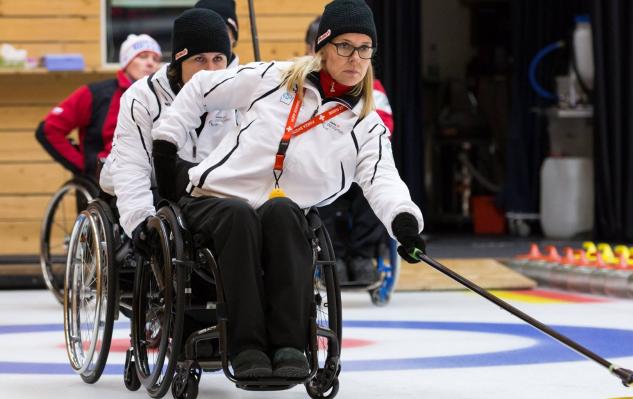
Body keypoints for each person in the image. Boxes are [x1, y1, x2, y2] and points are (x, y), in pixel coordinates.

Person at [150, 0, 426, 379]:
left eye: (364, 49)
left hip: (284, 211)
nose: (355, 58)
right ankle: (245, 346)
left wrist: (405, 224)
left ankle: (290, 346)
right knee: (239, 214)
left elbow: (384, 180)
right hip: (216, 201)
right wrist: (167, 140)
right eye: (344, 46)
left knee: (284, 215)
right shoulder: (274, 77)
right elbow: (201, 86)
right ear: (322, 48)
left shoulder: (366, 125)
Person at [99, 8, 237, 243]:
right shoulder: (142, 96)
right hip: (145, 182)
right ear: (180, 61)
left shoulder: (237, 95)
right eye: (199, 59)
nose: (211, 71)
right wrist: (140, 222)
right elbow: (131, 167)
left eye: (218, 59)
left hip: (199, 189)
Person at [306, 15, 393, 284]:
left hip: (359, 167)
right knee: (319, 197)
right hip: (322, 167)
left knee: (373, 192)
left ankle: (363, 256)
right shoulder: (300, 86)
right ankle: (335, 258)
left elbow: (385, 129)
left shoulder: (372, 89)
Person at [36, 34, 161, 179]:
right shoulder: (96, 93)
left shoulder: (164, 96)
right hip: (106, 179)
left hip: (151, 175)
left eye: (156, 59)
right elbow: (48, 129)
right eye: (143, 56)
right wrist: (84, 167)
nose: (151, 63)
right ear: (126, 62)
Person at [194, 0, 241, 67]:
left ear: (233, 38)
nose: (213, 37)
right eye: (204, 30)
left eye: (221, 31)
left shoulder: (249, 76)